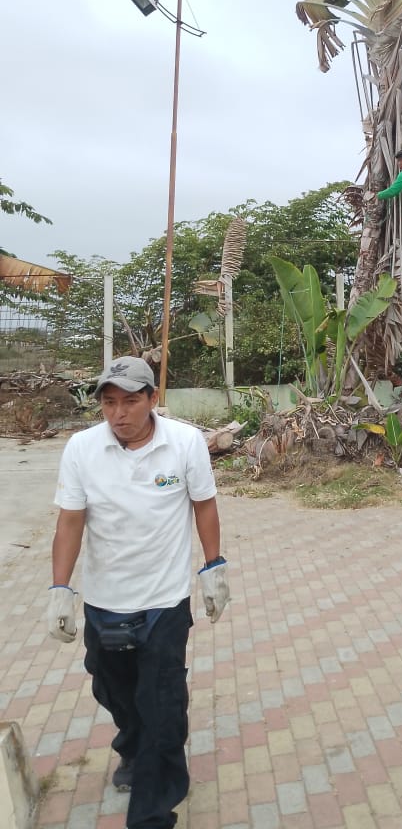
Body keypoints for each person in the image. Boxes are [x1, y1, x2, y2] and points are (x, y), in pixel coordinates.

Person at [47, 355, 229, 829]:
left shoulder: (185, 443)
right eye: (109, 402)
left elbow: (204, 505)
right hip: (104, 600)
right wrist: (60, 589)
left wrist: (213, 567)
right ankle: (132, 743)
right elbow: (71, 521)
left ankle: (152, 810)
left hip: (164, 601)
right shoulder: (82, 448)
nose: (118, 413)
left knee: (162, 705)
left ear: (152, 399)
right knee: (113, 688)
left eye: (130, 401)